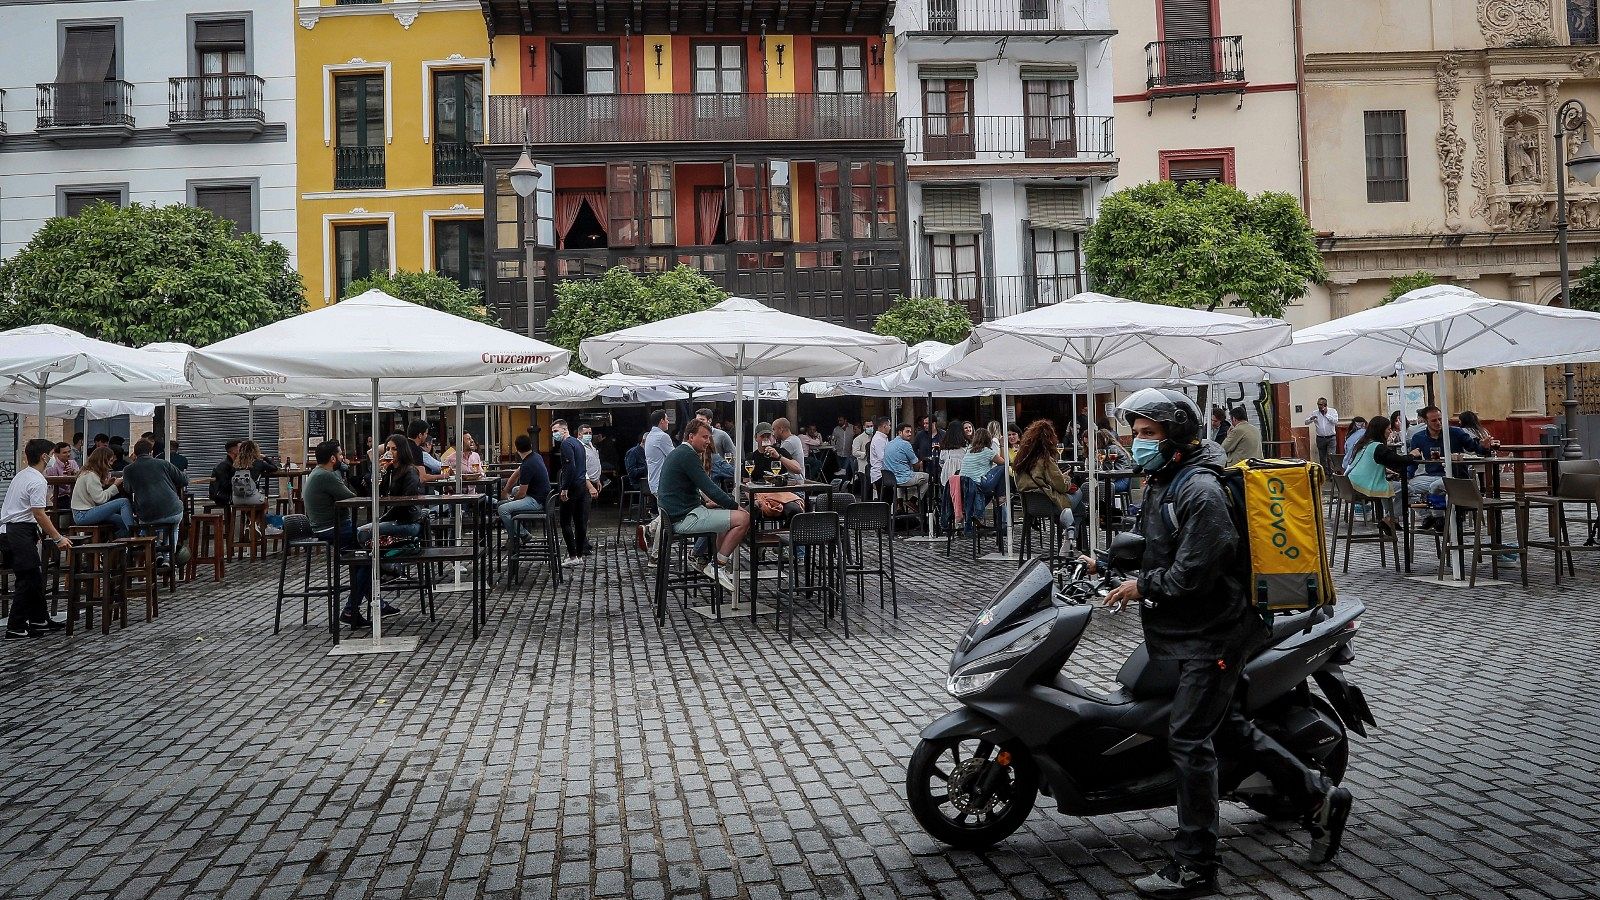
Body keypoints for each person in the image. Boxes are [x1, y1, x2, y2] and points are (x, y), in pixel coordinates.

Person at [1086, 388, 1351, 897]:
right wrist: (1110, 562)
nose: (1136, 443)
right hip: (1192, 633)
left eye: (1147, 435)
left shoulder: (1200, 488)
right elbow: (1165, 545)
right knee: (1223, 724)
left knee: (1188, 739)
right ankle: (1318, 795)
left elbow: (1194, 572)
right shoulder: (1167, 479)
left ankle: (1196, 865)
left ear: (1175, 438)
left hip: (1215, 632)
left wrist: (1141, 585)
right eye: (1135, 433)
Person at [655, 420, 750, 592]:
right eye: (704, 437)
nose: (708, 441)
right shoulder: (687, 455)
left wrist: (706, 503)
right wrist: (735, 506)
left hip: (677, 515)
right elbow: (709, 487)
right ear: (691, 436)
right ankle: (717, 566)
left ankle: (716, 565)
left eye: (709, 437)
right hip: (685, 518)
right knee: (743, 518)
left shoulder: (680, 452)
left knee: (724, 521)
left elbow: (687, 489)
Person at [3, 439, 73, 638]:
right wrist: (58, 537)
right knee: (27, 578)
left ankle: (39, 619)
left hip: (16, 529)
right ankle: (15, 626)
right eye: (51, 454)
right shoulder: (37, 480)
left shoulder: (22, 475)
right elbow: (39, 513)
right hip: (18, 530)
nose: (53, 458)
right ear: (44, 457)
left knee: (34, 576)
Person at [303, 440, 368, 628]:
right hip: (332, 530)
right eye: (340, 455)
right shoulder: (326, 476)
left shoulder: (318, 473)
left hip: (327, 527)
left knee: (365, 552)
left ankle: (376, 603)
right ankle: (350, 609)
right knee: (369, 555)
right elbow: (353, 498)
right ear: (332, 458)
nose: (343, 458)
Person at [1406, 405, 1496, 532]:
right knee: (1407, 488)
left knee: (1435, 486)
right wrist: (1407, 475)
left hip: (1455, 475)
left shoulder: (1455, 433)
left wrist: (1484, 447)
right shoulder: (1419, 438)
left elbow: (1473, 448)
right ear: (1425, 422)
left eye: (1440, 419)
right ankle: (1427, 516)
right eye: (1434, 420)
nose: (1438, 423)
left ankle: (1439, 518)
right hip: (1431, 475)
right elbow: (1413, 462)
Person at [1012, 419, 1078, 554]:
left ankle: (1069, 535)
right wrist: (1067, 478)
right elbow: (1061, 487)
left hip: (1031, 506)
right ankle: (1069, 539)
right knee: (1080, 494)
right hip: (1050, 503)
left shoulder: (1020, 460)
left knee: (1077, 509)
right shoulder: (1045, 459)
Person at [121, 438, 189, 561]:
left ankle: (157, 552)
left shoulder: (128, 470)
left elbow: (128, 489)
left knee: (146, 527)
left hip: (146, 515)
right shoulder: (163, 463)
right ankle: (168, 558)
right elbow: (184, 480)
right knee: (173, 526)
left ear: (135, 454)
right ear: (151, 452)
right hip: (172, 509)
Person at [1345, 415, 1409, 536]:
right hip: (1365, 487)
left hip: (1351, 484)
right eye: (1389, 429)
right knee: (1408, 489)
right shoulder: (1378, 447)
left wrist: (1385, 471)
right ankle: (1390, 518)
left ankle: (1390, 519)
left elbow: (1369, 464)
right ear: (1381, 430)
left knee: (1387, 487)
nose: (1390, 432)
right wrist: (1412, 455)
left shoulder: (1364, 443)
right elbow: (1399, 461)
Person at [498, 434, 551, 547]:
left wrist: (511, 501)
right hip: (544, 497)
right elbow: (515, 475)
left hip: (537, 502)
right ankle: (515, 536)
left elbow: (522, 494)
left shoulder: (528, 465)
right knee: (514, 490)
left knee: (502, 509)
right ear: (530, 446)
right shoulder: (536, 456)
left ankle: (522, 535)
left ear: (516, 449)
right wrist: (506, 490)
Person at [551, 419, 592, 565]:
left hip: (572, 486)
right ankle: (579, 554)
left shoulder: (566, 444)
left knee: (565, 521)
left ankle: (573, 555)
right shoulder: (578, 443)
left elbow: (569, 467)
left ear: (564, 429)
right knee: (579, 522)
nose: (554, 434)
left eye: (556, 431)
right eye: (553, 432)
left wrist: (564, 488)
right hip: (581, 485)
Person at [70, 447, 133, 537]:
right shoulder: (91, 475)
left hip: (85, 511)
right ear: (103, 461)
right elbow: (100, 499)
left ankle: (114, 543)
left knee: (124, 521)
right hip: (83, 514)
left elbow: (94, 492)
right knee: (124, 502)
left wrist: (106, 484)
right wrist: (115, 485)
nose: (111, 464)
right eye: (110, 461)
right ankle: (132, 535)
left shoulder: (87, 473)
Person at [959, 426, 1007, 529]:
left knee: (989, 493)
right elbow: (1004, 462)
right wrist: (1002, 445)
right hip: (978, 484)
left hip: (965, 483)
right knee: (1003, 468)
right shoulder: (987, 451)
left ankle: (976, 513)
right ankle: (1001, 496)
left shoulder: (969, 450)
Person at [884, 423, 929, 504]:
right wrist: (919, 467)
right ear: (900, 432)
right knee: (928, 478)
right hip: (903, 479)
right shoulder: (905, 444)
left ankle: (900, 504)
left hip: (891, 479)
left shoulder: (889, 443)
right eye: (907, 432)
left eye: (911, 432)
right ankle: (913, 500)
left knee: (902, 476)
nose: (910, 434)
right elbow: (915, 463)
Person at [1305, 397, 1340, 473]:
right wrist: (1311, 418)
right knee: (1322, 457)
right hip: (1320, 438)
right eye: (1318, 404)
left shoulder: (1332, 411)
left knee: (1331, 456)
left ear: (1325, 405)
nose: (1319, 406)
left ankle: (1332, 473)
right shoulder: (1315, 412)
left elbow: (1335, 421)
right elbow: (1306, 422)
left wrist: (1326, 414)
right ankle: (1324, 473)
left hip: (1331, 438)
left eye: (1320, 404)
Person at [408, 419, 450, 484]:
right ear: (420, 435)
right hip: (409, 488)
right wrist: (443, 476)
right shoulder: (416, 450)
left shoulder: (402, 445)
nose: (426, 436)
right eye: (426, 433)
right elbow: (423, 477)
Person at [769, 418, 807, 485]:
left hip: (793, 483)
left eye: (774, 429)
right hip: (796, 481)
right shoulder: (794, 438)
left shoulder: (789, 443)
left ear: (781, 429)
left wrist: (771, 442)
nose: (773, 433)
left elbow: (775, 460)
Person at [209, 440, 243, 511]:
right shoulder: (224, 465)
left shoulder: (232, 464)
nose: (243, 450)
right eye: (240, 448)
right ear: (233, 450)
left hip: (228, 494)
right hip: (222, 496)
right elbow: (224, 484)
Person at [44, 441, 79, 509]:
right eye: (64, 453)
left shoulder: (73, 463)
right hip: (60, 498)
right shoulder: (53, 467)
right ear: (57, 454)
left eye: (69, 451)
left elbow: (81, 476)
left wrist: (74, 472)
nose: (68, 454)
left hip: (74, 496)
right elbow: (55, 486)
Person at [868, 416, 892, 500]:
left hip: (884, 472)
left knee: (888, 497)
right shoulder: (878, 439)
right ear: (884, 426)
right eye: (889, 425)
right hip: (880, 473)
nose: (890, 428)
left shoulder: (883, 438)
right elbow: (882, 457)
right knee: (885, 499)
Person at [832, 417, 857, 482]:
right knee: (841, 471)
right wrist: (834, 449)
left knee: (847, 470)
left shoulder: (852, 427)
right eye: (838, 420)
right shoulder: (836, 429)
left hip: (849, 452)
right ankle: (842, 486)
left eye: (841, 420)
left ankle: (847, 485)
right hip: (839, 452)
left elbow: (856, 437)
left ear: (845, 420)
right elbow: (833, 440)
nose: (839, 422)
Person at [851, 420, 873, 493]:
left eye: (871, 426)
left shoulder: (875, 437)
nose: (870, 428)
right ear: (864, 427)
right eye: (868, 426)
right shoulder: (858, 439)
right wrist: (865, 454)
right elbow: (854, 452)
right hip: (863, 466)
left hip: (873, 467)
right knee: (865, 489)